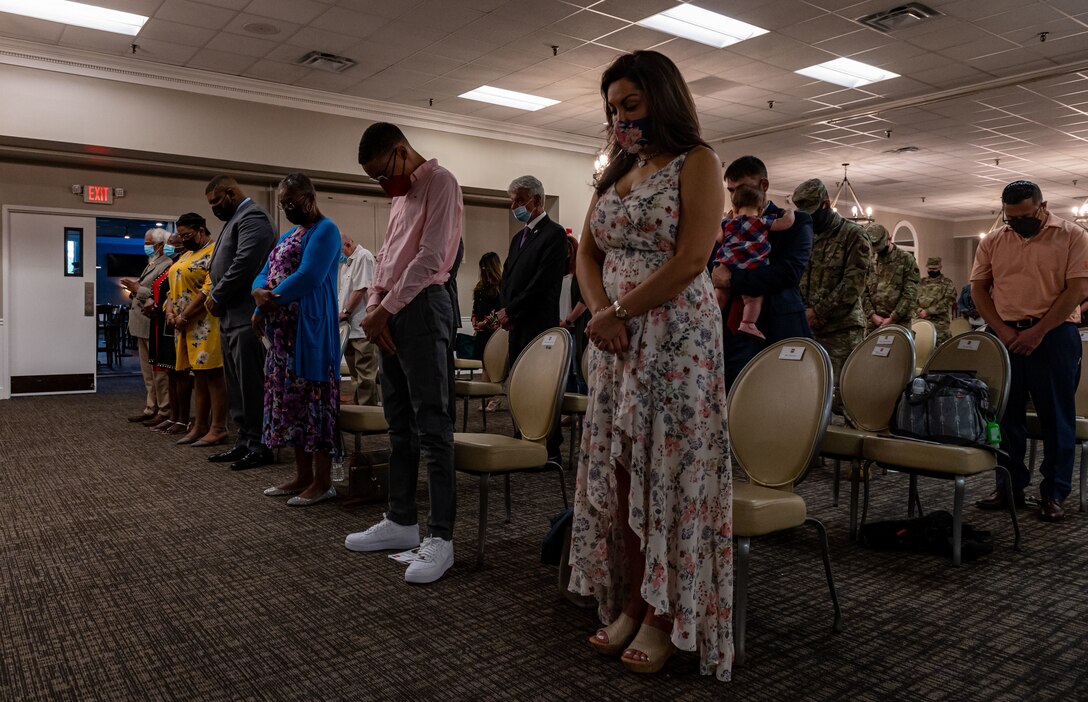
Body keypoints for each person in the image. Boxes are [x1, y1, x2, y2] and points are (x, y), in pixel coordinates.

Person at [568, 50, 733, 681]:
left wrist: (621, 311)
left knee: (670, 476)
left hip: (675, 340)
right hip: (617, 341)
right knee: (626, 472)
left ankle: (667, 616)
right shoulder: (615, 172)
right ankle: (636, 600)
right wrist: (599, 312)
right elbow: (584, 251)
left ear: (661, 99)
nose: (620, 119)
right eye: (612, 109)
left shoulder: (699, 162)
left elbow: (693, 257)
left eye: (631, 105)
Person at [343, 122, 463, 585]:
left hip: (423, 307)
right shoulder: (399, 199)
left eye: (381, 172)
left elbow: (431, 258)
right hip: (390, 311)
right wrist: (374, 307)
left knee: (433, 424)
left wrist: (384, 308)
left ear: (400, 151)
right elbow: (389, 257)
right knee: (400, 426)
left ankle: (441, 537)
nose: (382, 183)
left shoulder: (441, 182)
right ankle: (401, 520)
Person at [972, 180, 1088, 523]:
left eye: (1024, 216)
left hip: (1054, 335)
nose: (1017, 223)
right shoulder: (994, 240)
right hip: (1005, 334)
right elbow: (979, 289)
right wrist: (1004, 330)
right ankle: (1009, 486)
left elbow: (1077, 289)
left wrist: (1039, 331)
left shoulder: (1072, 235)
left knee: (1056, 417)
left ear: (1043, 206)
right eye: (1010, 218)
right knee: (1005, 417)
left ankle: (1054, 493)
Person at [255, 174, 342, 507]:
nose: (287, 208)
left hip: (309, 333)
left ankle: (322, 482)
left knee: (313, 405)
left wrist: (268, 301)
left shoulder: (327, 230)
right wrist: (256, 292)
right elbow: (265, 269)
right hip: (281, 339)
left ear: (309, 197)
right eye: (282, 204)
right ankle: (301, 476)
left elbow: (309, 276)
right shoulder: (291, 233)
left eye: (291, 202)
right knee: (290, 406)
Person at [710, 156, 812, 389]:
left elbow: (787, 273)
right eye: (731, 190)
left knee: (778, 404)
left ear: (763, 185)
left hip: (775, 328)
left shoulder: (794, 222)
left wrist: (732, 280)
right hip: (728, 333)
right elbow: (714, 268)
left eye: (741, 188)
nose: (735, 197)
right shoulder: (728, 223)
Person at [204, 175, 278, 470]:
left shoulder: (254, 216)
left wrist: (217, 295)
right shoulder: (235, 218)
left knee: (251, 385)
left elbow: (246, 262)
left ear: (231, 194)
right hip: (230, 317)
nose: (214, 208)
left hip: (248, 315)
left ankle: (261, 444)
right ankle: (244, 441)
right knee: (236, 385)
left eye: (216, 202)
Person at [498, 174, 568, 459]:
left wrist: (512, 309)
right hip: (517, 323)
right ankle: (522, 437)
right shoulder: (519, 238)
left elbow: (541, 283)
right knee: (519, 384)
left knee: (540, 387)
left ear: (537, 201)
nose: (515, 207)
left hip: (539, 323)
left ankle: (547, 447)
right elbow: (509, 278)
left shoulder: (554, 234)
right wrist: (506, 310)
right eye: (513, 201)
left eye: (519, 201)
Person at [792, 178, 871, 387]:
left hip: (842, 332)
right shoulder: (805, 236)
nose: (809, 220)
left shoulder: (853, 235)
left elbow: (853, 285)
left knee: (841, 396)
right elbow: (796, 276)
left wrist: (817, 312)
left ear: (826, 204)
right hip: (809, 330)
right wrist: (804, 312)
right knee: (809, 394)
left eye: (813, 213)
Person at [168, 213, 229, 448]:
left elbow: (208, 289)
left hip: (205, 323)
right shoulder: (186, 254)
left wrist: (184, 315)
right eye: (181, 236)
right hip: (184, 325)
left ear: (201, 230)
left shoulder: (214, 252)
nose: (183, 240)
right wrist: (172, 312)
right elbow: (172, 289)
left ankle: (218, 427)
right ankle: (199, 426)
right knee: (198, 378)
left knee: (213, 376)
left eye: (187, 235)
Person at [714, 183, 795, 340]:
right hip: (751, 266)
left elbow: (720, 239)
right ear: (760, 209)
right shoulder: (762, 221)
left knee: (720, 295)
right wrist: (789, 213)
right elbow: (785, 224)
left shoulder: (728, 224)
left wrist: (721, 223)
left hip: (728, 264)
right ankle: (748, 323)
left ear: (735, 209)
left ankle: (712, 318)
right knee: (753, 298)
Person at [122, 227, 173, 425]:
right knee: (147, 371)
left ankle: (163, 408)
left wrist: (137, 289)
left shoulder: (167, 264)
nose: (146, 247)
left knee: (158, 371)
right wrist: (135, 289)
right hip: (142, 323)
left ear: (159, 245)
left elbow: (158, 294)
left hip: (153, 323)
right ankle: (151, 407)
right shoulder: (152, 263)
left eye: (148, 243)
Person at [142, 233, 192, 436]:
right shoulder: (172, 265)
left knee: (180, 372)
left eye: (173, 244)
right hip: (163, 319)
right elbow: (167, 294)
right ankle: (173, 416)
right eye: (169, 244)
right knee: (171, 371)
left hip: (178, 322)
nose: (170, 247)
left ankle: (183, 419)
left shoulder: (184, 263)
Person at [339, 234, 379, 406]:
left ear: (347, 244)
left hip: (362, 326)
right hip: (348, 327)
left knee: (365, 376)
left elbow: (361, 289)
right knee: (355, 375)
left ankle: (368, 414)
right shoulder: (345, 265)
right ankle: (359, 412)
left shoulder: (364, 256)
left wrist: (345, 311)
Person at [863, 223, 919, 335]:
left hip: (899, 324)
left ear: (890, 238)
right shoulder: (869, 260)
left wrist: (893, 318)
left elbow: (910, 294)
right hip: (873, 324)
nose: (878, 252)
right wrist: (872, 315)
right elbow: (862, 291)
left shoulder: (906, 259)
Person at [916, 256, 958, 344]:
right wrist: (919, 310)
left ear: (940, 267)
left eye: (934, 269)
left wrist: (927, 312)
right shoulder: (921, 282)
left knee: (940, 352)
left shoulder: (947, 283)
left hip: (939, 326)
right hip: (920, 322)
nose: (932, 271)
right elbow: (913, 300)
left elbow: (948, 302)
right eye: (930, 268)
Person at [471, 251, 503, 363]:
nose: (484, 271)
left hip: (494, 331)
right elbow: (476, 305)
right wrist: (474, 318)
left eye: (486, 268)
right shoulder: (481, 286)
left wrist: (485, 322)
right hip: (481, 331)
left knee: (492, 363)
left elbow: (499, 308)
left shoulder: (501, 285)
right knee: (482, 363)